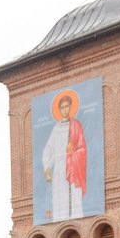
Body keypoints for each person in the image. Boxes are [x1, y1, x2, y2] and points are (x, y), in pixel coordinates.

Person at [41, 89, 88, 222]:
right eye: (62, 108)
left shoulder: (76, 126)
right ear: (59, 110)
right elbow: (47, 150)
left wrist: (73, 151)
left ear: (70, 107)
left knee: (75, 197)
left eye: (67, 106)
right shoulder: (56, 128)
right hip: (60, 169)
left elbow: (82, 147)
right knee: (59, 199)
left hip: (74, 167)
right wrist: (47, 169)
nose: (65, 110)